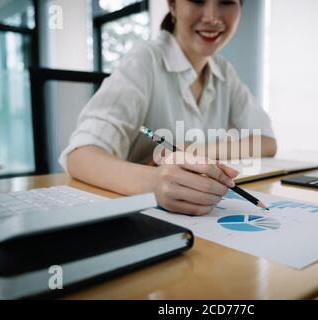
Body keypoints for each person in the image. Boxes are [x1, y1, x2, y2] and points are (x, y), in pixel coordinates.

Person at [60, 0, 277, 216]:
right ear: (172, 5)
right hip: (138, 217)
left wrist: (192, 152)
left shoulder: (223, 71)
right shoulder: (145, 59)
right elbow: (80, 156)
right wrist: (152, 182)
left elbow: (266, 142)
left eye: (226, 2)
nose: (212, 17)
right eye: (197, 0)